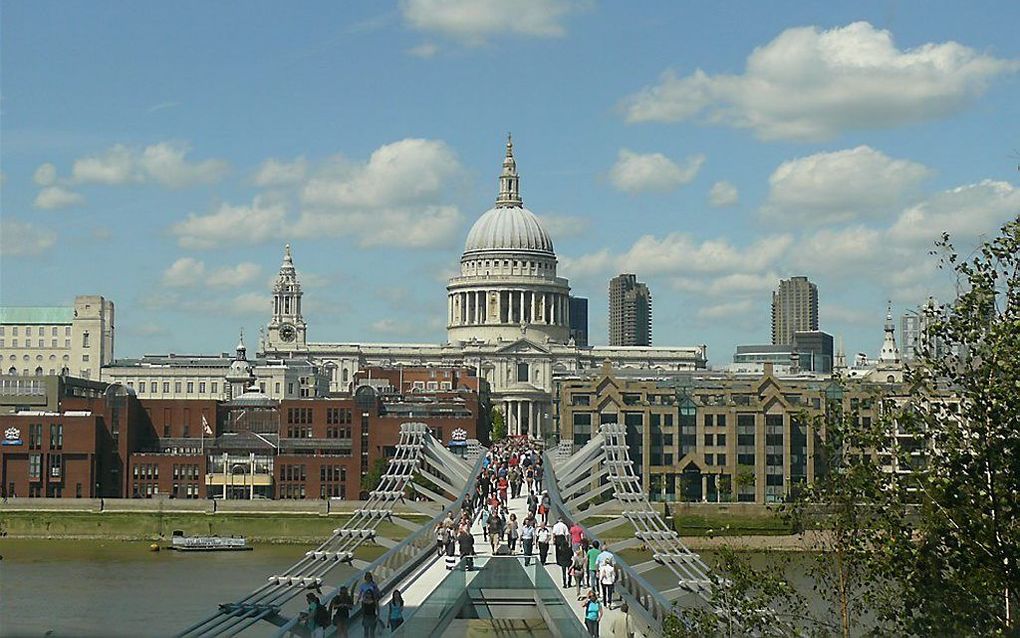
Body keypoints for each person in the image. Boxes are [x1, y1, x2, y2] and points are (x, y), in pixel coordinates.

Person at [357, 573, 382, 638]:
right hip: (365, 602)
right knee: (366, 631)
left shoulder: (373, 585)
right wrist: (358, 600)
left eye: (369, 577)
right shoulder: (363, 585)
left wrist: (375, 589)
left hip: (373, 600)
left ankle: (378, 621)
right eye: (367, 577)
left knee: (371, 631)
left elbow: (378, 592)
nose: (368, 579)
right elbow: (360, 593)